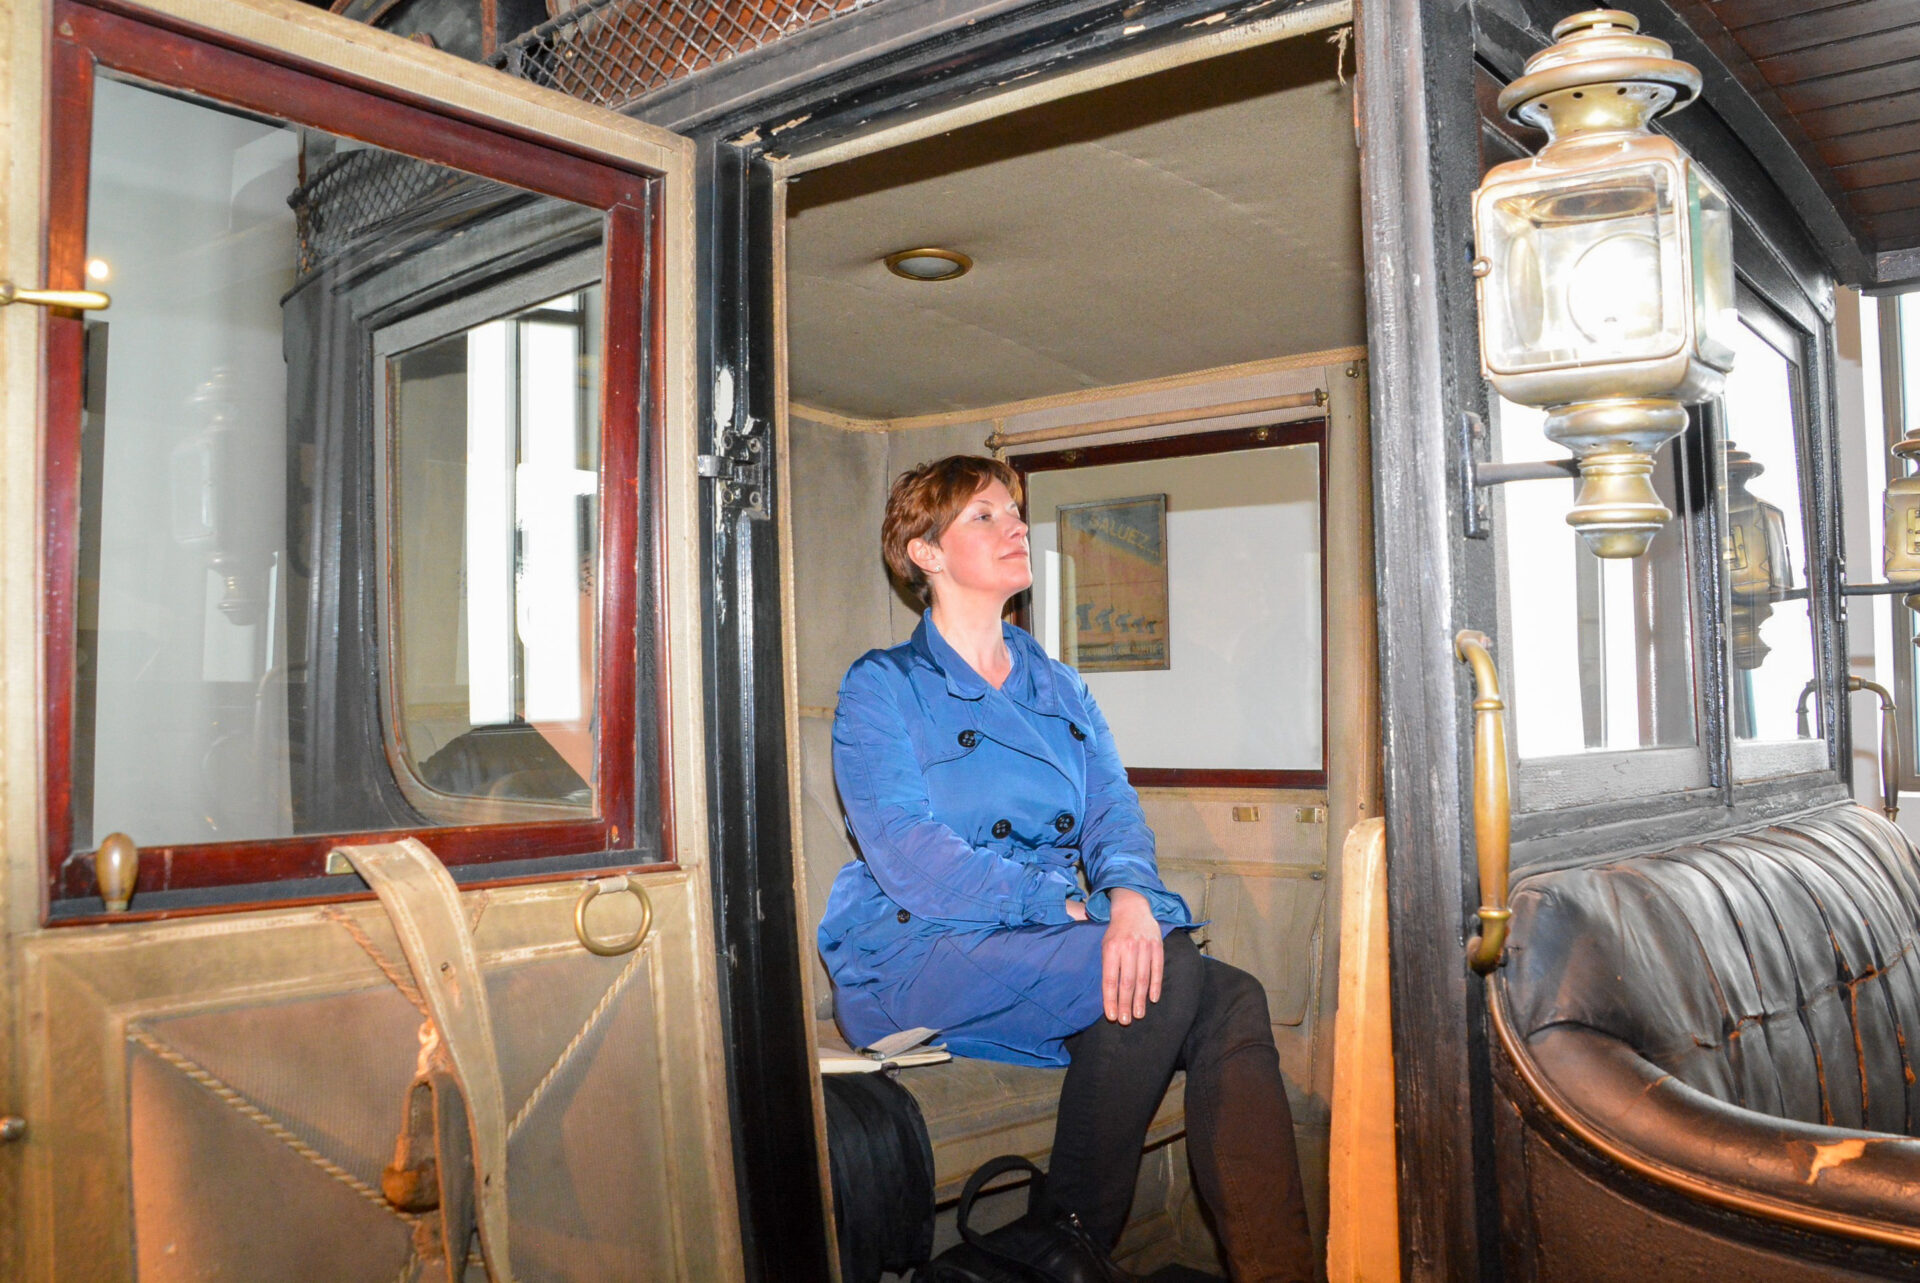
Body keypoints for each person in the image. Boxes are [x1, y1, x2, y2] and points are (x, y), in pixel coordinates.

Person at [817, 455, 1313, 1282]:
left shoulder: (1062, 688)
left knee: (1234, 995)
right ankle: (1072, 1240)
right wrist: (1064, 903)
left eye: (1015, 511)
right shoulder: (884, 686)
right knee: (1173, 967)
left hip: (1038, 938)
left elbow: (1115, 813)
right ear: (924, 551)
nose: (1016, 527)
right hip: (916, 944)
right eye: (984, 516)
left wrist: (1127, 897)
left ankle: (1274, 1271)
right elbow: (910, 855)